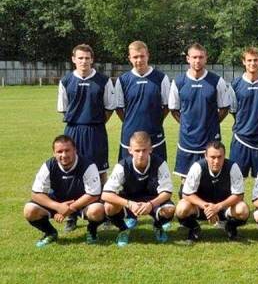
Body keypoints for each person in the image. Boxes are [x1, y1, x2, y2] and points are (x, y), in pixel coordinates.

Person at [23, 135, 104, 247]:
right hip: (58, 201)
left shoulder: (88, 166)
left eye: (67, 150)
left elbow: (93, 195)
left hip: (82, 202)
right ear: (54, 153)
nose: (64, 155)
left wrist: (69, 208)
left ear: (75, 150)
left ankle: (92, 230)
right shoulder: (48, 166)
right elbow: (36, 194)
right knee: (29, 210)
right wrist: (57, 207)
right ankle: (50, 233)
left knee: (97, 210)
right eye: (59, 151)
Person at [168, 43, 230, 180]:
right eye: (194, 57)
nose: (197, 60)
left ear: (206, 58)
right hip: (187, 140)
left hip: (210, 139)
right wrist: (186, 124)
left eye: (201, 57)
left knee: (211, 179)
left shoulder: (216, 81)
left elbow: (225, 108)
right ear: (188, 59)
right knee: (186, 180)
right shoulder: (179, 82)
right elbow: (173, 109)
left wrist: (211, 123)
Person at [102, 132, 175, 247]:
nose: (141, 154)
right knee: (109, 207)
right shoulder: (122, 166)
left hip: (152, 199)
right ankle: (123, 229)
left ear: (150, 149)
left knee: (170, 209)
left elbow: (167, 192)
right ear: (130, 150)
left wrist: (151, 204)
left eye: (144, 150)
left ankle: (158, 226)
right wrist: (129, 204)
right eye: (137, 150)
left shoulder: (160, 164)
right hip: (130, 200)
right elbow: (105, 195)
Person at [58, 44, 115, 184]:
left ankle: (101, 202)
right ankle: (74, 198)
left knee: (100, 170)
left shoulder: (103, 80)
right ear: (73, 59)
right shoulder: (66, 81)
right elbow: (64, 109)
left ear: (92, 60)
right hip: (73, 130)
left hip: (96, 131)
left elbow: (109, 108)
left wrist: (95, 121)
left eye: (87, 58)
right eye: (80, 58)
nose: (83, 61)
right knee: (72, 167)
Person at [175, 141, 249, 242]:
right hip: (201, 208)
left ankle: (230, 227)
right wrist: (206, 206)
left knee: (243, 209)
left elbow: (239, 195)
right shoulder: (197, 167)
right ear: (205, 156)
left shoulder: (233, 167)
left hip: (224, 208)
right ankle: (194, 228)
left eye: (219, 157)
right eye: (212, 157)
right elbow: (186, 194)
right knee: (181, 208)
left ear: (224, 156)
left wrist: (218, 207)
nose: (216, 161)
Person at [114, 41, 170, 162]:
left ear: (148, 55)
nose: (139, 60)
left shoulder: (161, 78)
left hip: (155, 133)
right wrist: (130, 121)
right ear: (129, 58)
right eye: (135, 57)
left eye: (142, 56)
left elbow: (167, 106)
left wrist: (156, 121)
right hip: (129, 133)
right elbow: (119, 108)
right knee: (127, 173)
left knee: (158, 172)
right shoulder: (122, 80)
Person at [229, 47, 258, 177]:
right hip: (240, 138)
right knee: (236, 179)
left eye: (255, 60)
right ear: (243, 62)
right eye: (249, 60)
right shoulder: (235, 84)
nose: (252, 63)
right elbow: (233, 110)